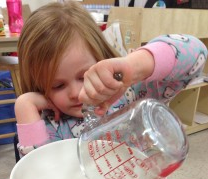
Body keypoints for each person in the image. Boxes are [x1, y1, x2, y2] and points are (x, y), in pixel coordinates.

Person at [15, 1, 207, 157]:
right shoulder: (51, 125)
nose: (76, 93)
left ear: (102, 59)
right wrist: (25, 106)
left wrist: (135, 66)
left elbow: (196, 55)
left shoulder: (132, 94)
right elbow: (38, 174)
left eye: (83, 76)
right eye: (57, 85)